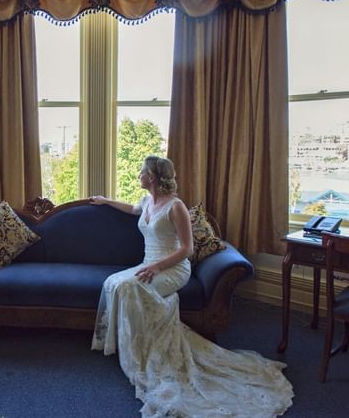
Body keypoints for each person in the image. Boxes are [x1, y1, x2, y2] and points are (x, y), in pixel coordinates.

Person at [89, 155, 293, 417]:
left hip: (172, 269)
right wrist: (105, 201)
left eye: (142, 172)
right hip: (148, 264)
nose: (139, 175)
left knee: (130, 288)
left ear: (152, 176)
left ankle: (146, 351)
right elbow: (131, 210)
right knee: (113, 282)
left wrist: (157, 267)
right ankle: (124, 343)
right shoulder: (147, 201)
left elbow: (187, 249)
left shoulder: (176, 207)